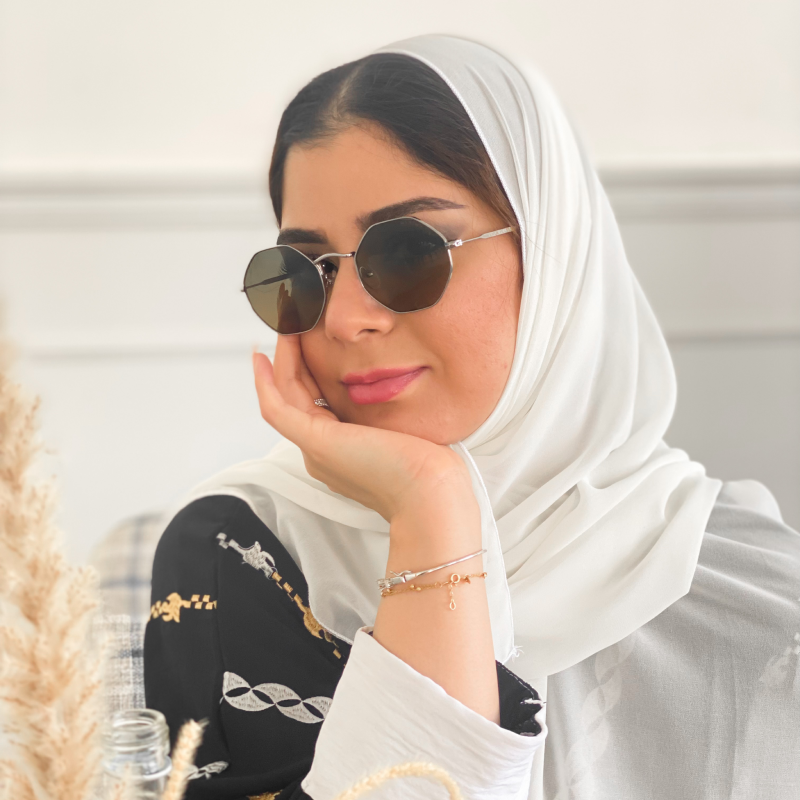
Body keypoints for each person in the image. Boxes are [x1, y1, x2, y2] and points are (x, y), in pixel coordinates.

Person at [144, 35, 800, 800]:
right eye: (308, 269)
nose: (347, 318)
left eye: (409, 251)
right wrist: (431, 509)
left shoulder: (749, 596)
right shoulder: (239, 551)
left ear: (552, 258)